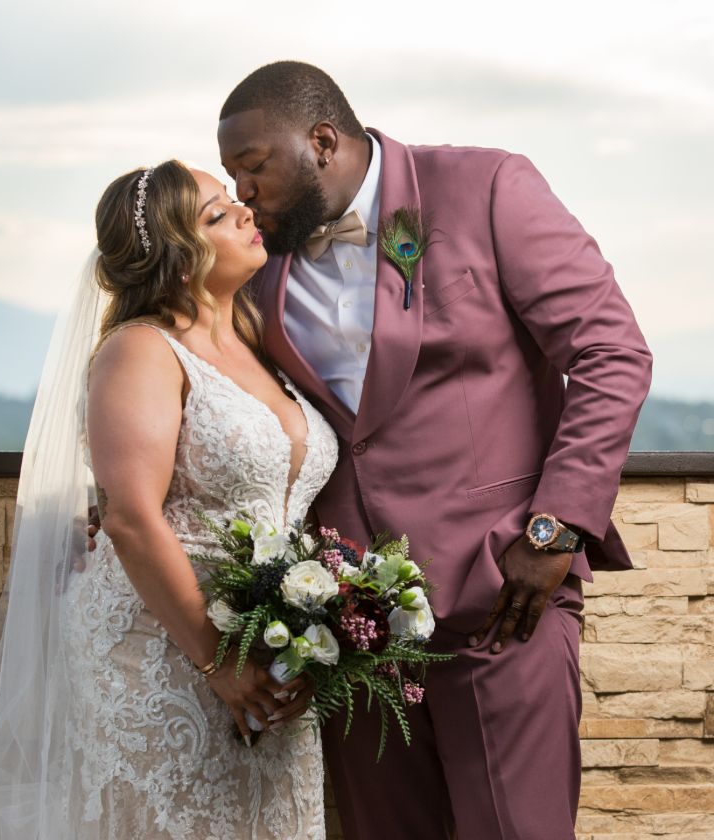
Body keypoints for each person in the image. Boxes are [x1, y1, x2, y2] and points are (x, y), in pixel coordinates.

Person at [215, 61, 653, 840]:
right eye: (231, 176)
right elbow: (191, 375)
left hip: (501, 597)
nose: (242, 192)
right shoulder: (257, 263)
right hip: (349, 627)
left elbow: (611, 351)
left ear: (321, 142)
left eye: (252, 167)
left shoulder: (486, 189)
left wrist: (554, 529)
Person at [0, 159, 338, 839]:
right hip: (164, 648)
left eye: (232, 202)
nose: (247, 211)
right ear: (179, 256)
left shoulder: (260, 344)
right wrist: (219, 661)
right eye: (218, 214)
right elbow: (131, 516)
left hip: (266, 643)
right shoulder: (140, 351)